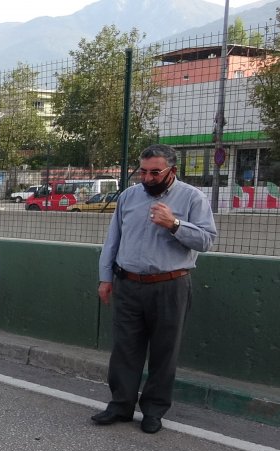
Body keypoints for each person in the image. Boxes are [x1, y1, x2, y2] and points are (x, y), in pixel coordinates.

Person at [91, 144, 217, 434]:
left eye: (155, 173)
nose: (147, 178)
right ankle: (121, 404)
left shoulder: (192, 198)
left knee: (164, 351)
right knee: (125, 348)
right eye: (143, 172)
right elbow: (113, 239)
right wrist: (105, 278)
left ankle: (154, 410)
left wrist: (174, 224)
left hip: (170, 285)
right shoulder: (129, 196)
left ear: (172, 170)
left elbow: (207, 241)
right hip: (127, 283)